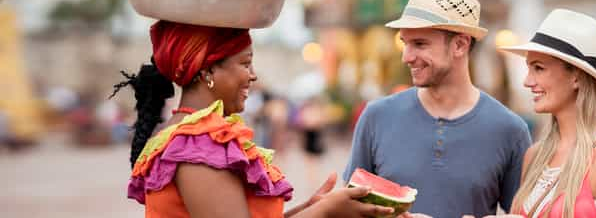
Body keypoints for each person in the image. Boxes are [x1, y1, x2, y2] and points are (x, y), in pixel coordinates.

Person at [115, 20, 395, 218]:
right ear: (207, 71)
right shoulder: (198, 145)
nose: (253, 75)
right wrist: (322, 214)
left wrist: (309, 209)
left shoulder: (188, 134)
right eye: (245, 63)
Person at [344, 0, 532, 218]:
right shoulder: (375, 117)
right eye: (405, 43)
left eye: (420, 44)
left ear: (460, 45)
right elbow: (349, 210)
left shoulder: (510, 130)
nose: (407, 57)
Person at [496, 9, 596, 218]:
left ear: (576, 76)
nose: (527, 81)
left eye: (538, 68)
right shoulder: (534, 156)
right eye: (528, 68)